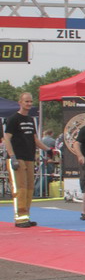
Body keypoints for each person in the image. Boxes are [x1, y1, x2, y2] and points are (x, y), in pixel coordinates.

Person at [3, 92, 51, 227]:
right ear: (20, 102)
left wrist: (48, 150)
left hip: (29, 157)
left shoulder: (30, 120)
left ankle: (26, 216)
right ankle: (19, 218)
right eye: (26, 102)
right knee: (20, 188)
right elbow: (7, 138)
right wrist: (12, 157)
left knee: (29, 188)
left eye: (30, 102)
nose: (29, 104)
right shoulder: (13, 119)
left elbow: (35, 139)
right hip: (17, 157)